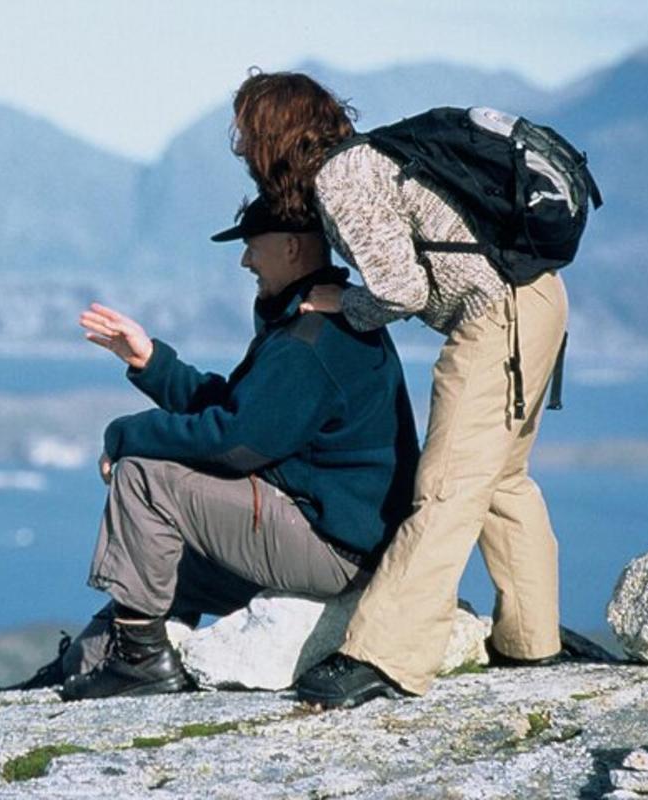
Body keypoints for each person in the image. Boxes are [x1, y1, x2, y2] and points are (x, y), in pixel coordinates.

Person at [228, 71, 576, 708]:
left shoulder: (342, 178)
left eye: (248, 133)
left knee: (445, 486)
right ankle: (532, 641)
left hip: (497, 317)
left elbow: (402, 289)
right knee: (500, 478)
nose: (242, 146)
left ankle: (384, 656)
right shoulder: (370, 158)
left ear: (273, 136)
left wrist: (344, 302)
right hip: (536, 300)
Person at [0, 195, 420, 700]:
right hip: (331, 536)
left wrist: (128, 434)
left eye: (252, 247)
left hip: (335, 551)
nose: (245, 261)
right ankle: (74, 671)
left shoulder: (314, 338)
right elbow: (245, 413)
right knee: (161, 564)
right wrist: (153, 364)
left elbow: (235, 442)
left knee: (146, 477)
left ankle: (143, 663)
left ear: (292, 247)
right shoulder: (308, 324)